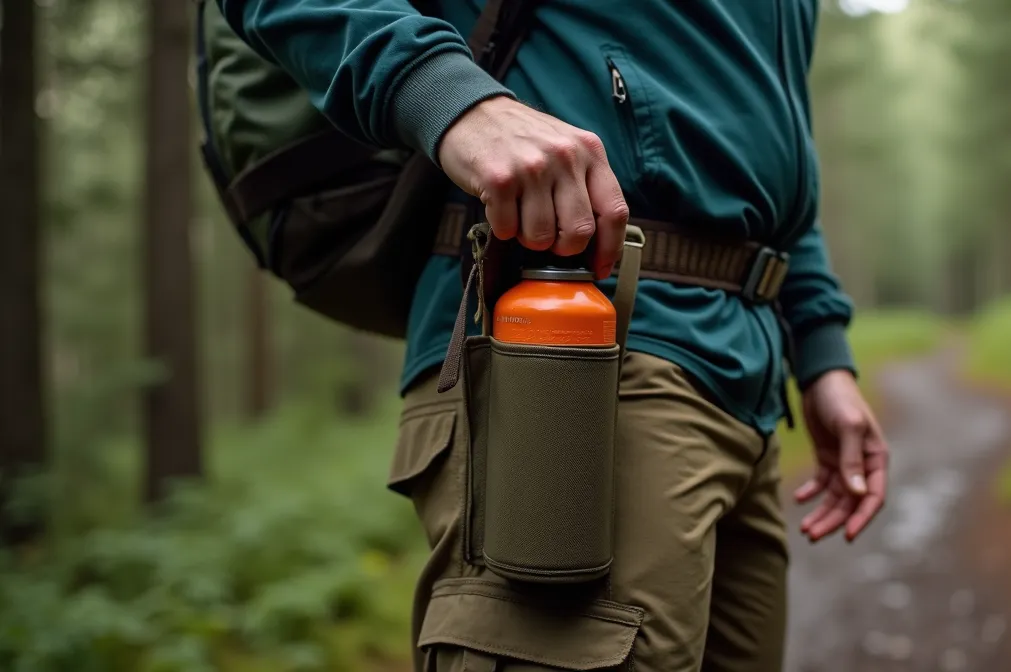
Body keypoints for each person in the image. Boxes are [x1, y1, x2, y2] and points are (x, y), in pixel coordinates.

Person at [215, 1, 891, 670]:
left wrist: (822, 351)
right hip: (569, 346)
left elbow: (778, 162)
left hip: (749, 382)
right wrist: (451, 97)